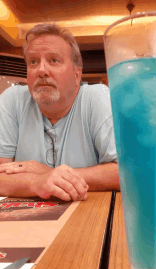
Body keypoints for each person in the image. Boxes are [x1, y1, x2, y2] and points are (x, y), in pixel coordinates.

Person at [0, 23, 120, 201]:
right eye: (33, 62)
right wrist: (39, 182)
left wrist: (48, 173)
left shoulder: (97, 98)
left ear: (76, 75)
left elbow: (124, 173)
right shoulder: (12, 100)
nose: (41, 70)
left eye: (54, 60)